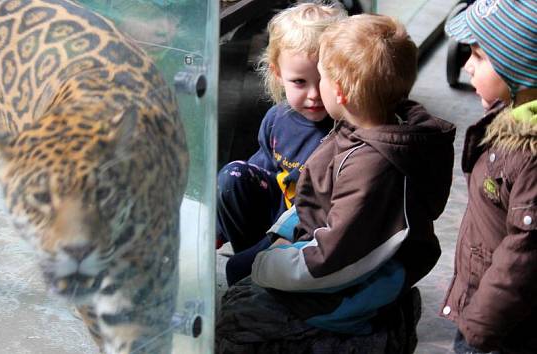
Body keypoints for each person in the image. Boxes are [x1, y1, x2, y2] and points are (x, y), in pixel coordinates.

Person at [216, 14, 456, 353]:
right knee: (243, 268)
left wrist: (272, 265)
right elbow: (314, 200)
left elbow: (336, 258)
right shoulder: (356, 126)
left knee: (245, 299)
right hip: (329, 245)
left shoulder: (372, 167)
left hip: (359, 272)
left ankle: (357, 326)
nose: (315, 91)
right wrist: (276, 240)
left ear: (339, 92)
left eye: (322, 76)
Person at [216, 2, 346, 286]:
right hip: (276, 215)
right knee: (232, 176)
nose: (314, 95)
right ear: (278, 74)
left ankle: (261, 271)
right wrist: (217, 226)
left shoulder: (345, 130)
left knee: (238, 271)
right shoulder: (277, 119)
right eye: (299, 82)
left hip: (311, 229)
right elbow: (259, 167)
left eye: (324, 80)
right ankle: (256, 260)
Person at [441, 0, 537, 353]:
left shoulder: (530, 155)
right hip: (487, 304)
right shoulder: (509, 119)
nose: (467, 66)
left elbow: (524, 254)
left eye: (479, 57)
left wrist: (479, 326)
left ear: (519, 69)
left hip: (502, 326)